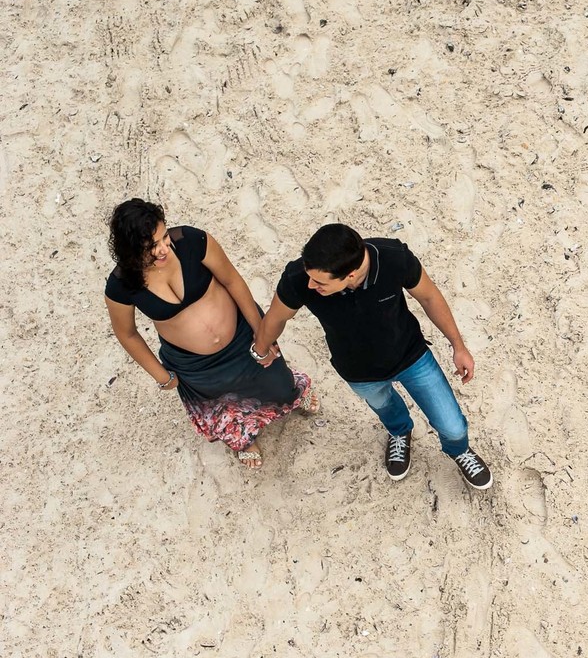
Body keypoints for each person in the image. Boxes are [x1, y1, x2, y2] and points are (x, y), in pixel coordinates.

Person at [252, 224, 493, 490]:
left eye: (320, 282)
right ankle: (400, 432)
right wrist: (260, 349)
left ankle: (458, 449)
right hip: (358, 370)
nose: (311, 285)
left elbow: (429, 297)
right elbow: (276, 317)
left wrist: (458, 346)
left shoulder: (394, 257)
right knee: (385, 407)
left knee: (453, 425)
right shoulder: (300, 277)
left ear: (351, 275)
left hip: (411, 356)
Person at [104, 198, 318, 468]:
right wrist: (161, 375)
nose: (163, 250)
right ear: (130, 251)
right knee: (222, 406)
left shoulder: (193, 241)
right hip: (194, 364)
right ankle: (242, 438)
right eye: (151, 247)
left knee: (277, 381)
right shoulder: (121, 286)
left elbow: (232, 280)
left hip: (241, 338)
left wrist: (258, 329)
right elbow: (127, 334)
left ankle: (294, 392)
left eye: (164, 237)